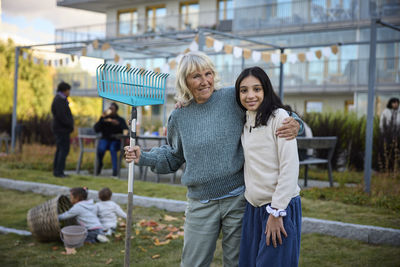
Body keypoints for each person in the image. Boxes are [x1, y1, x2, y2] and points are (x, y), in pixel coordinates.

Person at [124, 51, 303, 267]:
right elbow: (173, 155)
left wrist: (296, 123)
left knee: (237, 262)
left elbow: (269, 109)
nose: (204, 81)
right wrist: (143, 156)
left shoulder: (231, 98)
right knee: (193, 263)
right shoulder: (179, 116)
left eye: (208, 73)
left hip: (238, 199)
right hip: (201, 202)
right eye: (196, 76)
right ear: (184, 81)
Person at [235, 67, 301, 267]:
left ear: (266, 90)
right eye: (244, 90)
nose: (250, 95)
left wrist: (277, 211)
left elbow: (290, 167)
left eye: (257, 89)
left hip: (278, 208)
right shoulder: (246, 120)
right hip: (253, 209)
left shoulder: (279, 118)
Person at [94, 102, 128, 176]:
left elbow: (125, 129)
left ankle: (115, 171)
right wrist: (102, 118)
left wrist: (118, 125)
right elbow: (96, 129)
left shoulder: (120, 120)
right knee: (101, 148)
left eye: (112, 109)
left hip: (115, 140)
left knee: (113, 149)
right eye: (110, 108)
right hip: (105, 139)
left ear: (116, 110)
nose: (110, 110)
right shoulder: (104, 119)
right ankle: (99, 164)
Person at [51, 82, 74, 178]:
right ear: (64, 90)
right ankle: (59, 171)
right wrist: (69, 124)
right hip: (61, 129)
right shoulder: (59, 100)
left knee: (61, 149)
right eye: (68, 90)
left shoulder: (61, 99)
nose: (69, 92)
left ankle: (58, 171)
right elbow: (61, 116)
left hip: (62, 129)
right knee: (63, 150)